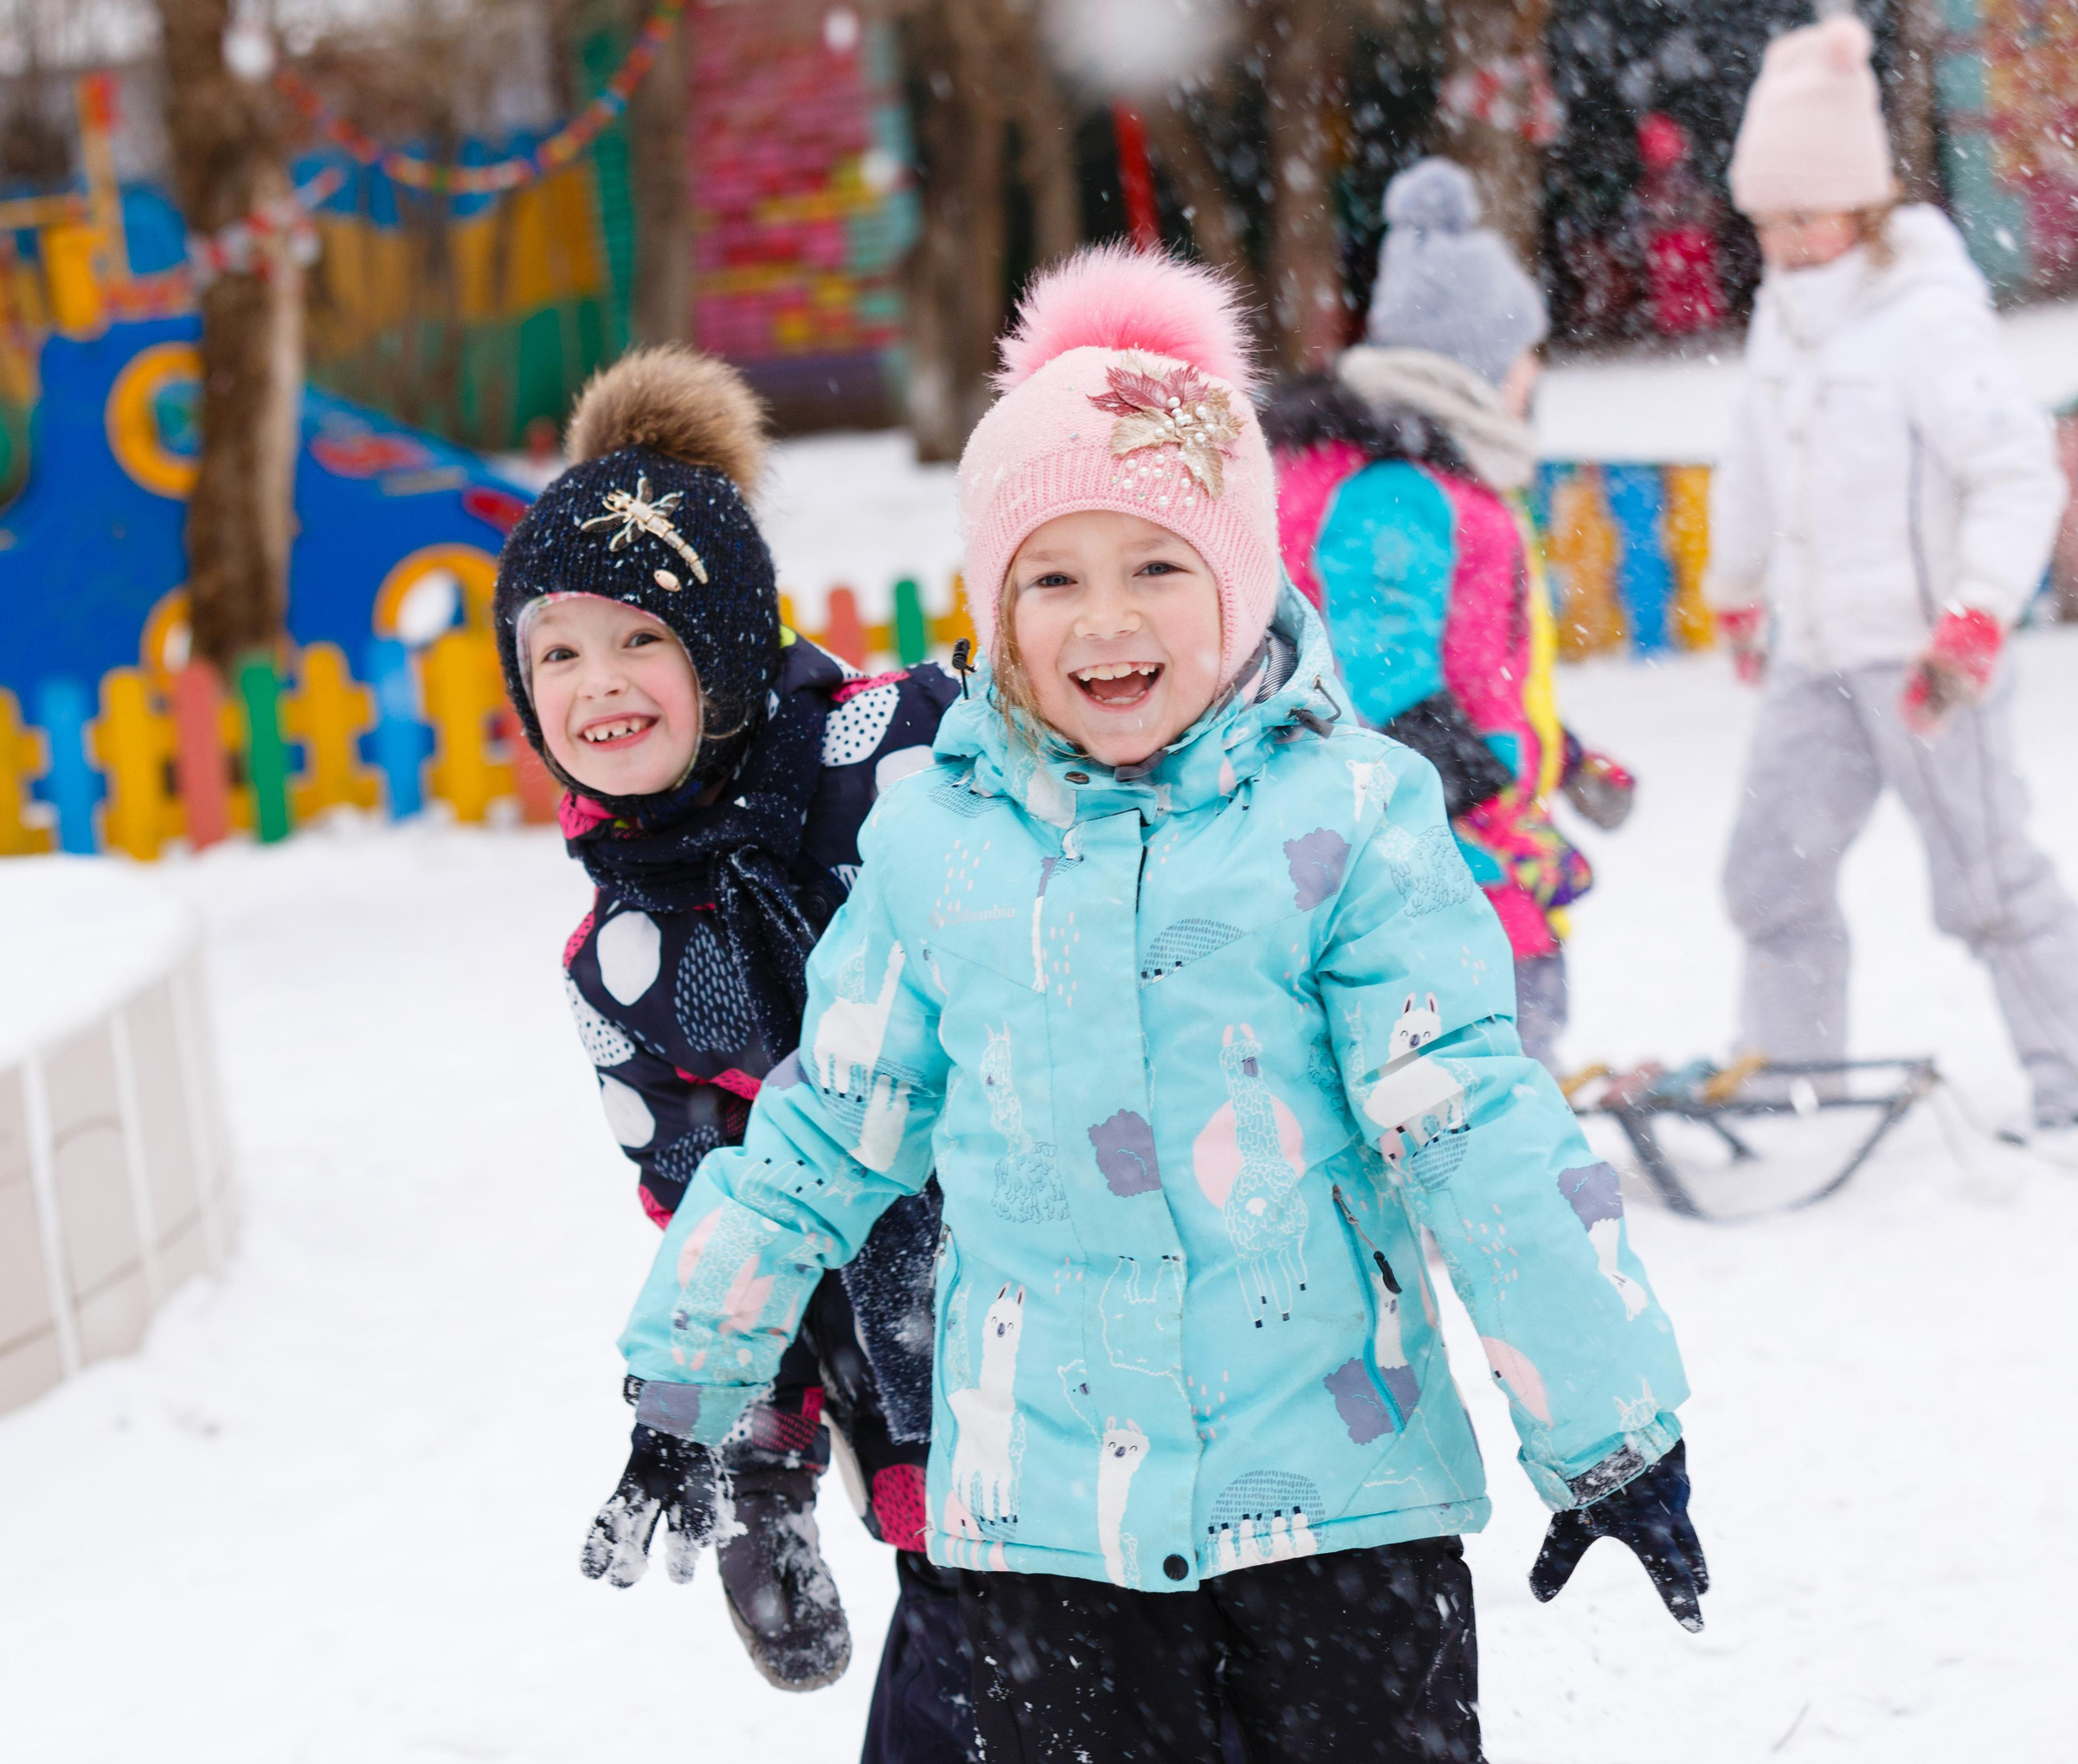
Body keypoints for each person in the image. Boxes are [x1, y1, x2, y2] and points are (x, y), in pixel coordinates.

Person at [587, 248, 1704, 1763]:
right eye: (1053, 575)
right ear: (997, 606)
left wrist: (1610, 1427)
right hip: (1047, 1541)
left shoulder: (1352, 820)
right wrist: (689, 1380)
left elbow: (1475, 1124)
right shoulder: (938, 845)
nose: (1105, 621)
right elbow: (813, 1143)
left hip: (1342, 1514)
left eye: (1157, 566)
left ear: (1241, 577)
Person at [491, 345, 973, 1760]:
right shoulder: (618, 964)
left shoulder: (899, 749)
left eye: (643, 638)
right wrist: (711, 1418)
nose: (601, 684)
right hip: (871, 1316)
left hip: (1054, 1250)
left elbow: (1075, 709)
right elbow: (708, 1209)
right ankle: (774, 1478)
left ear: (731, 641)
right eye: (558, 653)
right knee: (972, 1632)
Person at [1708, 14, 2078, 1149]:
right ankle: (1794, 1084)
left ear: (1863, 203)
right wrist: (1741, 587)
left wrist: (1976, 617)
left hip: (1926, 664)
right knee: (1770, 877)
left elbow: (2014, 476)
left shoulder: (1927, 320)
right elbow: (1754, 465)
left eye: (1806, 217)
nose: (1788, 241)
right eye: (1769, 221)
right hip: (1816, 657)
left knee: (1989, 884)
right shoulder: (1778, 318)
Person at [1267, 156, 1636, 1073]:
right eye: (1520, 356)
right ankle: (1493, 1169)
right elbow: (1375, 660)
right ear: (1474, 367)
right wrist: (1466, 789)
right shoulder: (1399, 489)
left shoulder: (1445, 482)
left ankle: (1506, 1138)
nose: (1532, 375)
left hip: (1467, 817)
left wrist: (1564, 750)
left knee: (1511, 1004)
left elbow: (1477, 665)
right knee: (1488, 1018)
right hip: (1436, 838)